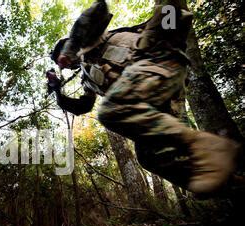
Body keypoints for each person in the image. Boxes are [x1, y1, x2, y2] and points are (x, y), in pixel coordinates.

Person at [47, 0, 240, 195]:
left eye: (62, 56)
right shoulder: (87, 79)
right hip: (161, 99)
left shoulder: (92, 38)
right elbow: (83, 106)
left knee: (111, 111)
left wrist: (71, 46)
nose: (66, 62)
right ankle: (228, 182)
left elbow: (99, 8)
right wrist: (57, 89)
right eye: (62, 62)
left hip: (157, 61)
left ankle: (213, 147)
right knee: (150, 157)